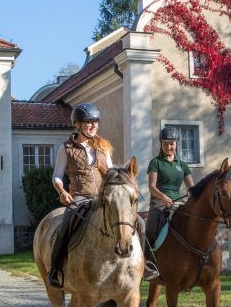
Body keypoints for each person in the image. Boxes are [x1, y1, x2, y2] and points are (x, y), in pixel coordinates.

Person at [48, 102, 157, 288]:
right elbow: (57, 176)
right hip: (80, 197)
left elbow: (111, 171)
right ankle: (56, 268)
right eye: (88, 122)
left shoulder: (103, 146)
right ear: (77, 124)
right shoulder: (66, 148)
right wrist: (63, 191)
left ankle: (145, 264)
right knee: (66, 223)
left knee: (138, 221)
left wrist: (125, 176)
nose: (93, 126)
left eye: (95, 122)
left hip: (102, 197)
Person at [146, 126, 195, 243]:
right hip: (159, 203)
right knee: (151, 229)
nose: (168, 147)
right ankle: (147, 253)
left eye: (171, 144)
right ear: (161, 144)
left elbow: (192, 189)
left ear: (177, 144)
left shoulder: (183, 165)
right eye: (165, 144)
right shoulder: (155, 162)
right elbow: (152, 187)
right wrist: (164, 197)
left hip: (177, 202)